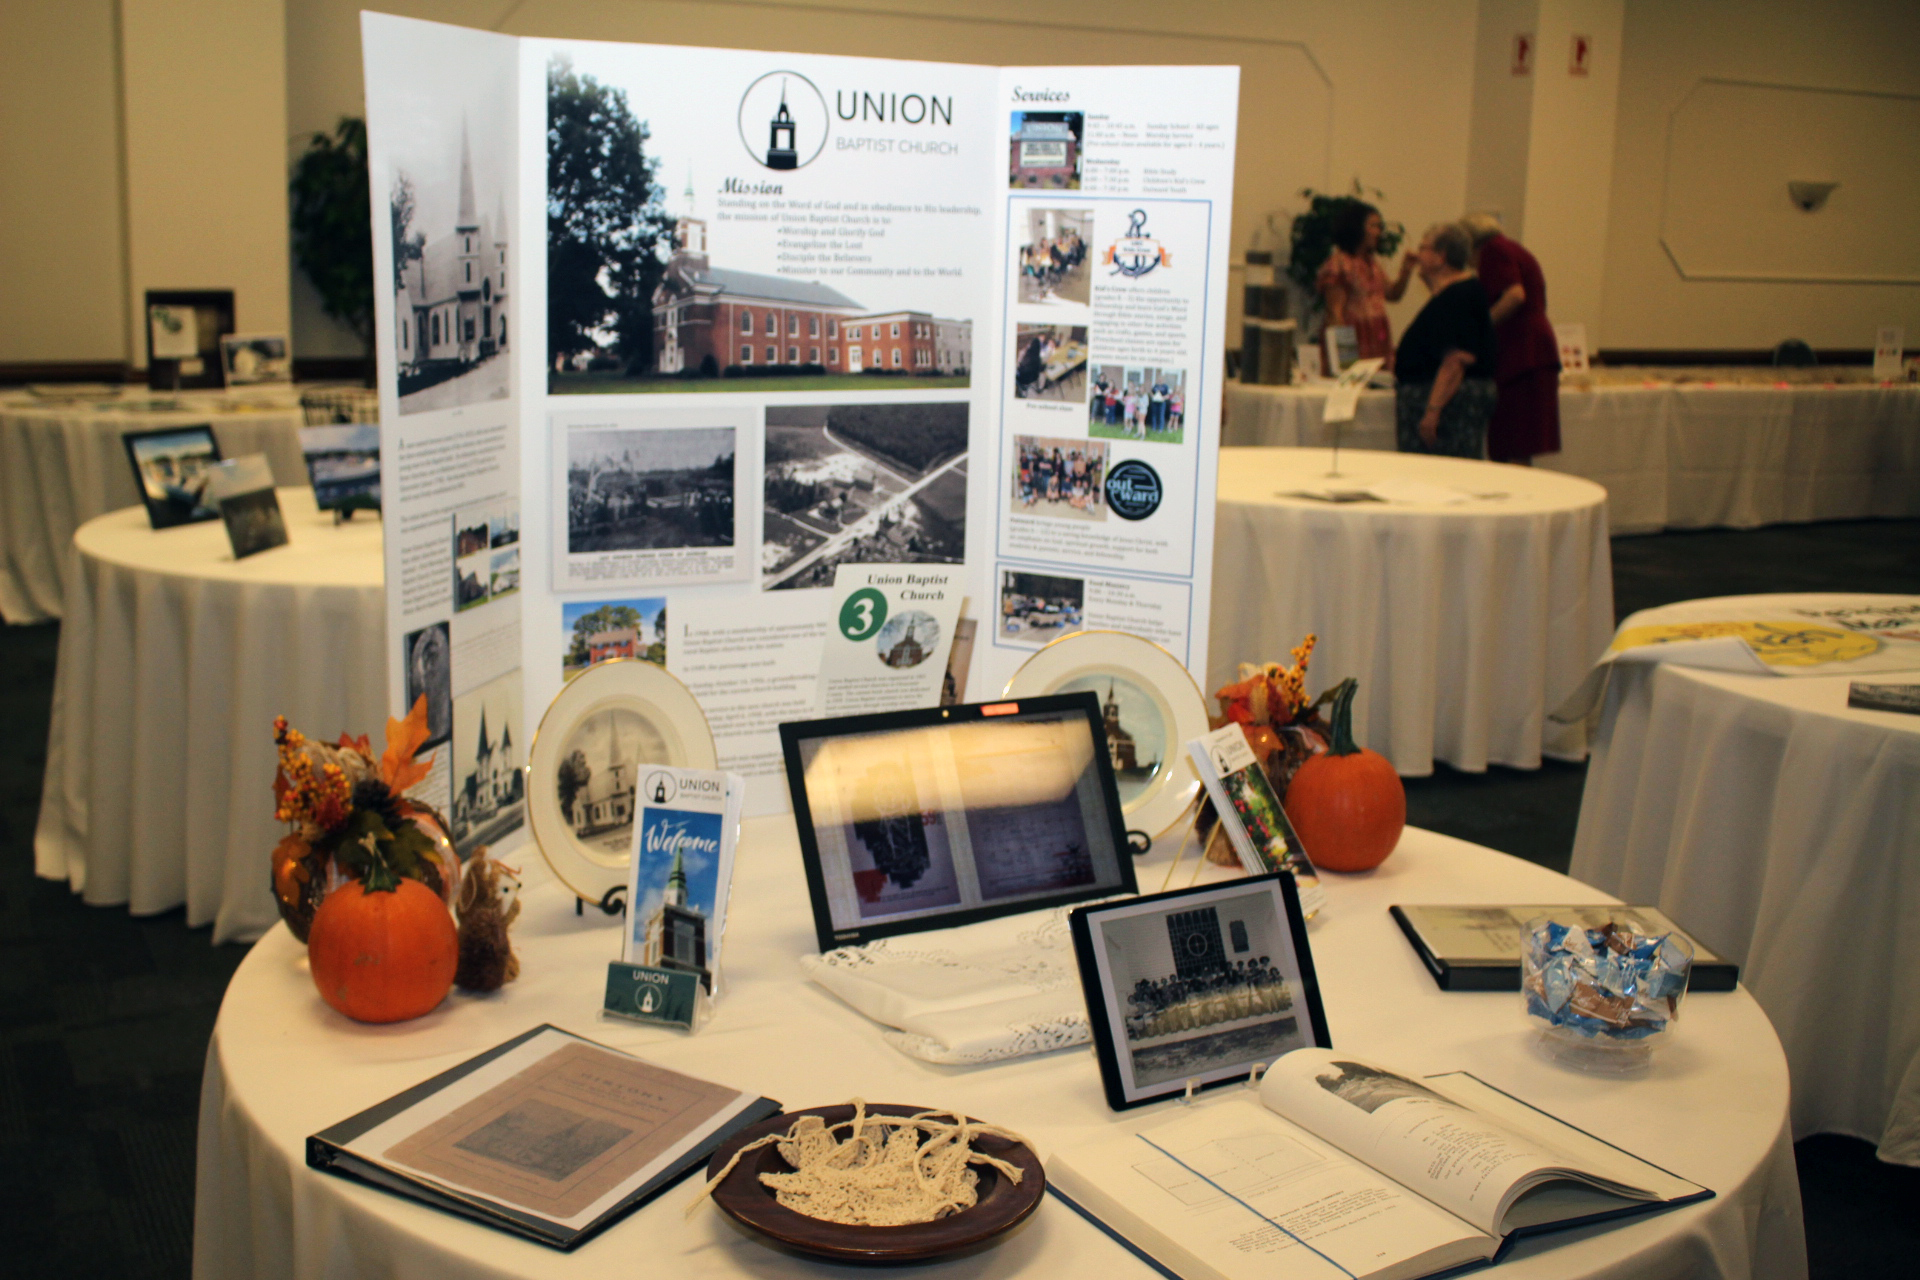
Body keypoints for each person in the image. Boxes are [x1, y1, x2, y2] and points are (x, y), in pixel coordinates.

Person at [1463, 213, 1561, 464]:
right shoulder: (1512, 248)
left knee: (1513, 441)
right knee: (1518, 442)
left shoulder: (1494, 251)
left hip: (1522, 355)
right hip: (1530, 351)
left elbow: (1515, 295)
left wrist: (1481, 328)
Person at [1393, 222, 1496, 458]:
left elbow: (1456, 360)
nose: (1417, 254)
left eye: (1423, 248)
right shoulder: (1452, 294)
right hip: (1438, 397)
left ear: (1441, 257)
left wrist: (1433, 411)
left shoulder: (1459, 296)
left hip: (1449, 405)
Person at [1316, 201, 1416, 368]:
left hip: (1376, 336)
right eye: (1373, 226)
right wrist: (1346, 361)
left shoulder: (1372, 264)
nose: (1378, 232)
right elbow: (1335, 313)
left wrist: (1406, 271)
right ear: (1356, 228)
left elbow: (1392, 294)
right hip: (1353, 338)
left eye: (1379, 227)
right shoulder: (1339, 264)